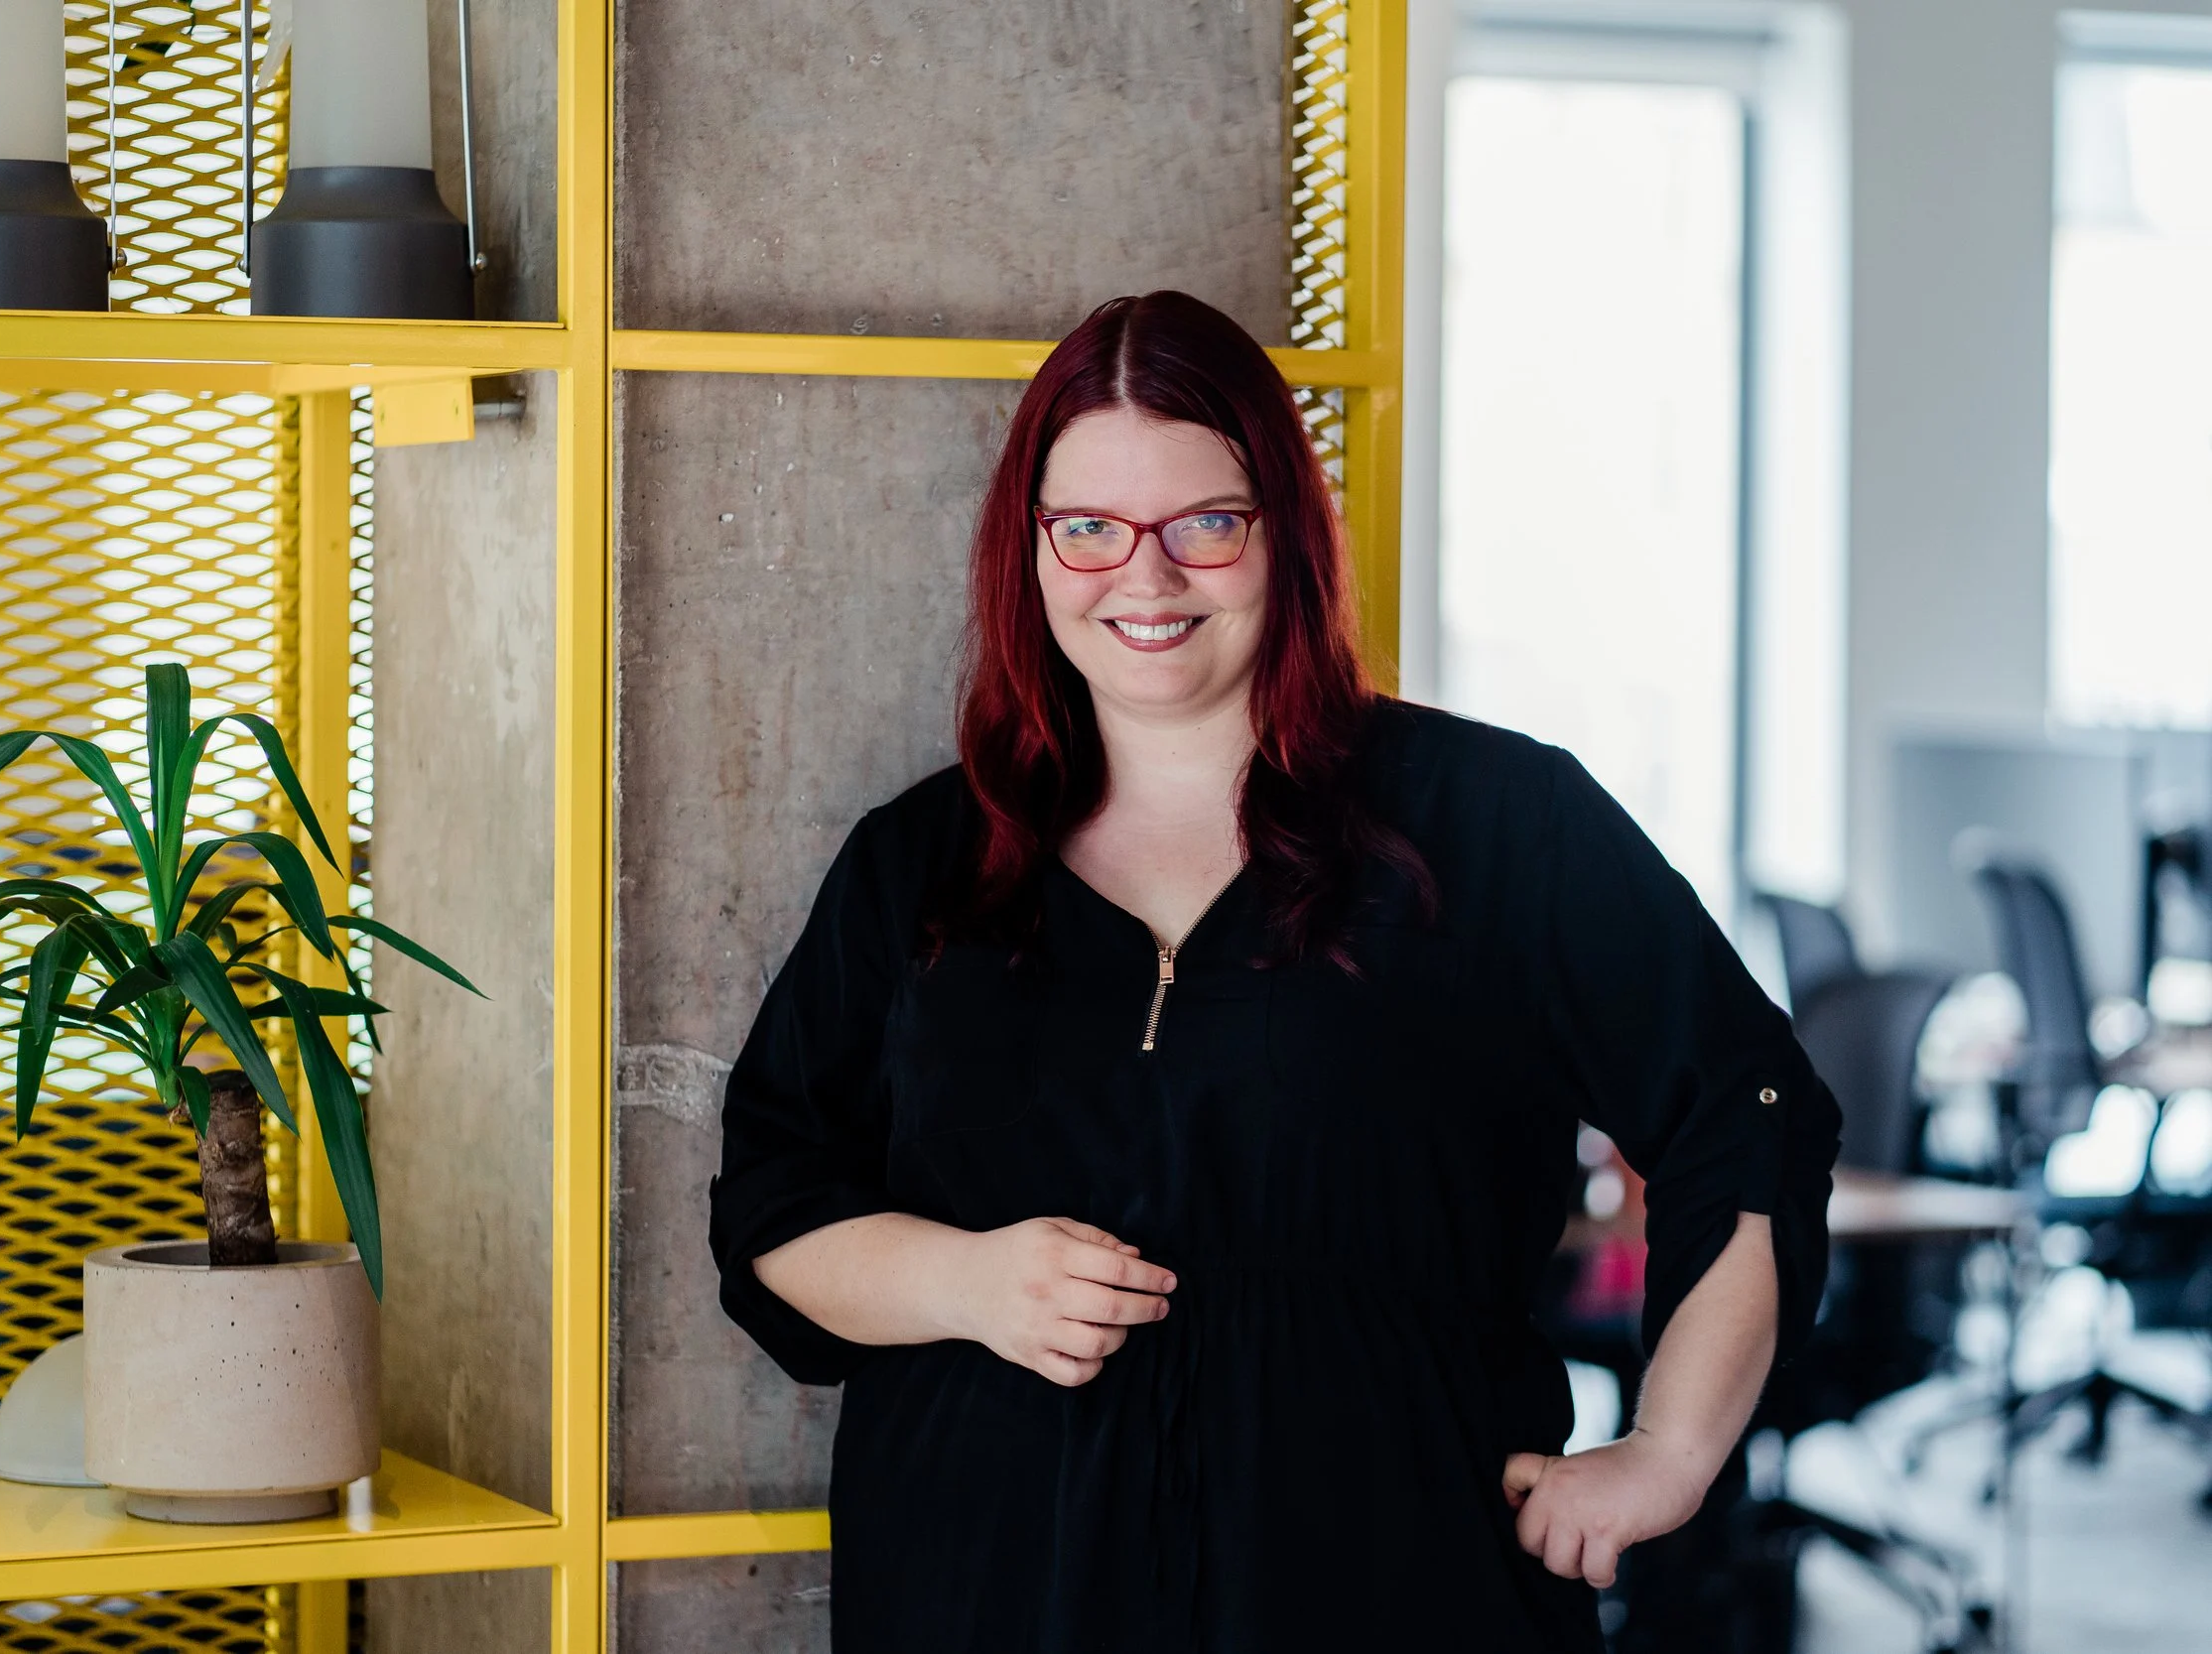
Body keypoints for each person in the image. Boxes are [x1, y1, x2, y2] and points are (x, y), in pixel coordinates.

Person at [709, 290, 1839, 1652]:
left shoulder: (1494, 823)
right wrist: (965, 1282)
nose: (1147, 576)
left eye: (1207, 522)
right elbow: (775, 1195)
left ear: (1285, 532)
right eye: (1090, 528)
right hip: (988, 1588)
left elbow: (1749, 1109)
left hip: (1398, 1586)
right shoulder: (925, 862)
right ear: (1031, 547)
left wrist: (1668, 1448)